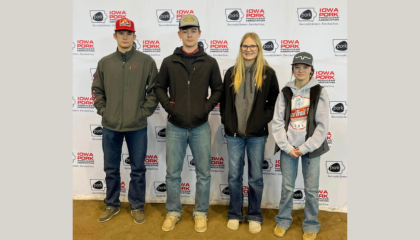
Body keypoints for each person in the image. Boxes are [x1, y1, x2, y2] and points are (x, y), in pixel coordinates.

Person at [154, 14, 223, 233]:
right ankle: (173, 212)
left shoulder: (210, 62)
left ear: (199, 34)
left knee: (203, 173)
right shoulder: (169, 61)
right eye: (185, 31)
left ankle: (200, 213)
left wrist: (205, 108)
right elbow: (158, 87)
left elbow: (218, 90)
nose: (190, 34)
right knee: (173, 174)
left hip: (201, 127)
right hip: (175, 126)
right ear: (179, 34)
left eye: (193, 31)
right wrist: (170, 107)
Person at [91, 18, 158, 224]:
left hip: (136, 126)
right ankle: (112, 204)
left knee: (137, 168)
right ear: (115, 36)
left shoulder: (146, 61)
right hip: (111, 126)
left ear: (134, 36)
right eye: (121, 33)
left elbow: (154, 92)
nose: (125, 36)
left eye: (129, 33)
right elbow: (97, 90)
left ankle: (137, 206)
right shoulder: (105, 62)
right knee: (111, 168)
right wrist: (104, 110)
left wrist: (142, 112)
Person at [220, 32, 279, 233]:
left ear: (259, 49)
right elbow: (225, 103)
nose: (248, 49)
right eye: (245, 46)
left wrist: (262, 120)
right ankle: (235, 214)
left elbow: (274, 102)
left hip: (257, 135)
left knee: (255, 177)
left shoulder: (268, 74)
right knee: (234, 176)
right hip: (234, 134)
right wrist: (227, 123)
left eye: (252, 46)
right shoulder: (231, 72)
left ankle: (254, 214)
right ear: (240, 48)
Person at [271, 52, 330, 240]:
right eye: (297, 67)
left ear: (311, 70)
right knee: (287, 187)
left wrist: (304, 148)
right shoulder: (285, 92)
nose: (301, 70)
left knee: (312, 189)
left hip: (311, 149)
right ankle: (283, 220)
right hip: (288, 148)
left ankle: (311, 223)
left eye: (305, 67)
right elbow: (278, 122)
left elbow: (322, 126)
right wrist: (287, 147)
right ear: (293, 69)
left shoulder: (319, 91)